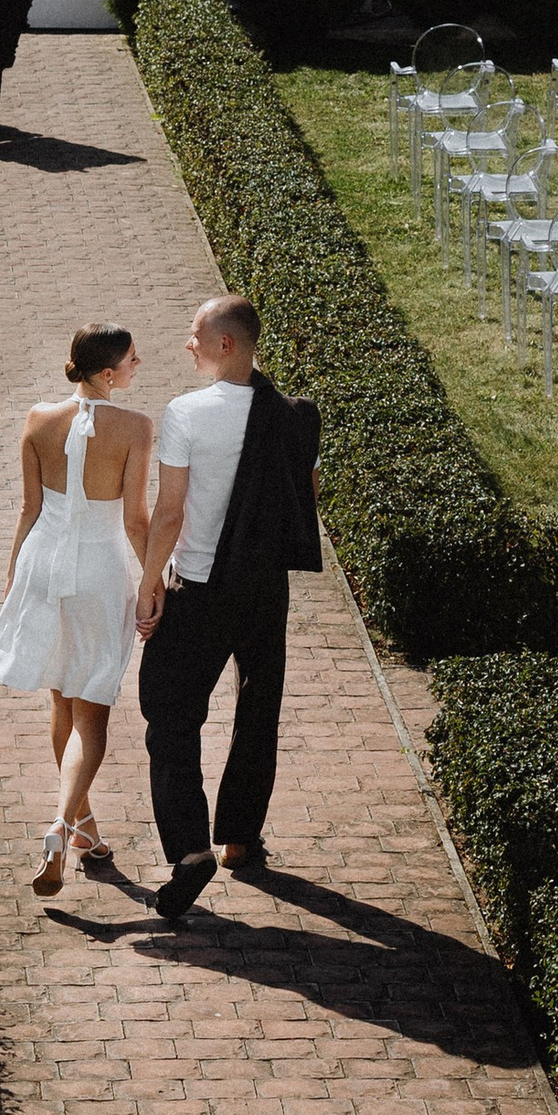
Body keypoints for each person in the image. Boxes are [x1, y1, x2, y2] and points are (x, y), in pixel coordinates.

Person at [133, 294, 323, 924]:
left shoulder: (186, 413)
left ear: (226, 345)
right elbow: (306, 497)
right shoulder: (296, 417)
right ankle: (240, 837)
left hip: (202, 586)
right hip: (266, 587)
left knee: (169, 713)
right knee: (257, 705)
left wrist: (149, 579)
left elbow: (170, 509)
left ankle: (190, 849)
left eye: (195, 334)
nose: (187, 342)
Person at [0, 322, 154, 894]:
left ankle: (84, 829)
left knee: (62, 698)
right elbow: (134, 520)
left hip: (42, 565)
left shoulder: (38, 418)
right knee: (93, 712)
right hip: (99, 573)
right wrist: (154, 581)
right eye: (132, 360)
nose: (137, 366)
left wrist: (12, 579)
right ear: (108, 373)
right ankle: (61, 824)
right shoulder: (134, 427)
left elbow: (29, 508)